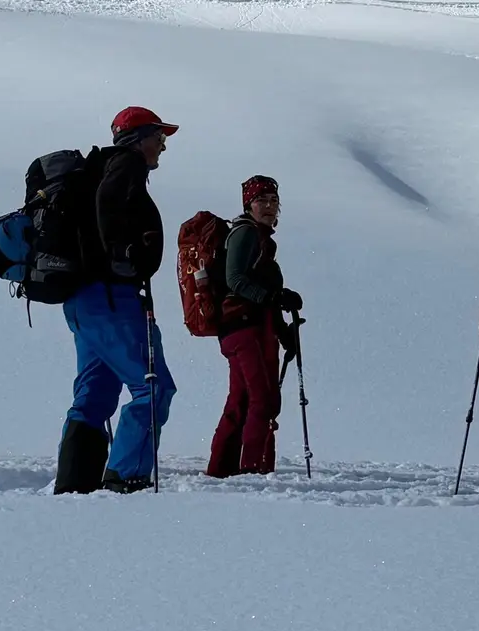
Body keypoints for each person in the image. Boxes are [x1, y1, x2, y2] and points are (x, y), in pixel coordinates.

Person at [54, 106, 179, 495]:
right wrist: (121, 255)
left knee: (94, 395)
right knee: (153, 388)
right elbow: (109, 201)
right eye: (159, 137)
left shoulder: (98, 168)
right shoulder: (126, 163)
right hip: (112, 298)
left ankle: (75, 485)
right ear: (139, 138)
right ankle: (126, 478)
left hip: (83, 300)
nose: (162, 146)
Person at [207, 175, 304, 477]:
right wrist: (273, 297)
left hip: (250, 327)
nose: (269, 206)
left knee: (241, 399)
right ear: (248, 204)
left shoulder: (259, 239)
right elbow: (235, 279)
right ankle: (250, 470)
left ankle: (223, 469)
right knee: (262, 399)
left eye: (274, 201)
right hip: (242, 327)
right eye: (262, 200)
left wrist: (283, 330)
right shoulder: (245, 234)